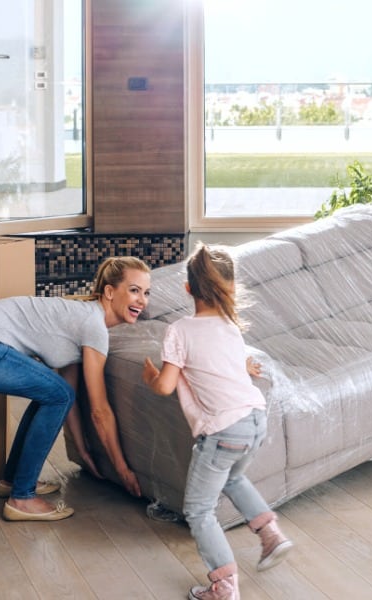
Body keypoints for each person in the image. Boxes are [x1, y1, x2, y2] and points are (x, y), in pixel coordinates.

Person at [0, 257, 151, 521]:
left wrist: (82, 450)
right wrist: (123, 470)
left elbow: (68, 397)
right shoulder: (93, 326)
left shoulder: (84, 319)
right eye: (134, 290)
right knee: (56, 394)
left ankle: (12, 482)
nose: (142, 300)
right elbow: (100, 411)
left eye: (146, 293)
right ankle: (22, 498)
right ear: (110, 292)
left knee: (53, 392)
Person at [142, 242, 293, 600]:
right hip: (256, 419)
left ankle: (224, 586)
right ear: (229, 288)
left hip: (224, 430)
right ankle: (270, 534)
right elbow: (227, 364)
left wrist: (149, 375)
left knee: (198, 510)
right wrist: (245, 367)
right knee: (234, 477)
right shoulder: (229, 325)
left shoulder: (180, 330)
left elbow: (165, 386)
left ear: (188, 288)